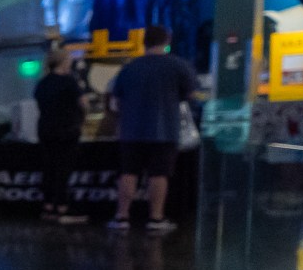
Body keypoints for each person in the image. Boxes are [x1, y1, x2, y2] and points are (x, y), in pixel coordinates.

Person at [106, 25, 198, 234]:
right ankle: (155, 219)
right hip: (164, 129)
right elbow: (191, 95)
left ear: (143, 41)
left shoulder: (129, 68)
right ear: (167, 40)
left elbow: (116, 100)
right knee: (159, 174)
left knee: (128, 173)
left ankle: (122, 217)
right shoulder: (178, 66)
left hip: (131, 131)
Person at [33, 49, 89, 225]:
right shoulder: (69, 82)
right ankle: (63, 207)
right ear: (64, 61)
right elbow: (84, 104)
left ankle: (48, 207)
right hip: (67, 130)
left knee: (49, 168)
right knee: (63, 170)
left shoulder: (42, 83)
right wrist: (82, 119)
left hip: (46, 130)